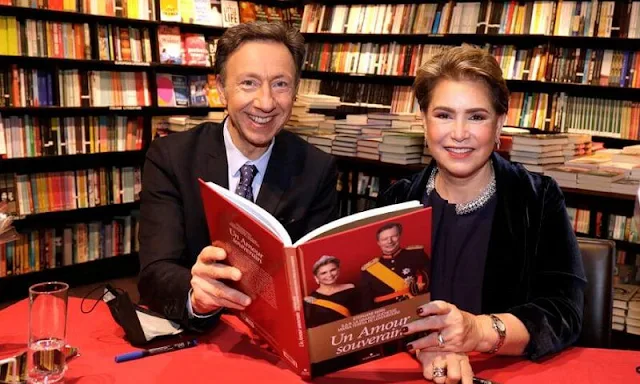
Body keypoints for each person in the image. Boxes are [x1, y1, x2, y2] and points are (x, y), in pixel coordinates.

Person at [379, 45, 586, 383]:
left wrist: (478, 331)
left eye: (476, 116)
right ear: (423, 119)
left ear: (500, 122)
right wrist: (422, 345)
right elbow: (373, 314)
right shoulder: (395, 201)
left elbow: (564, 313)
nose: (459, 134)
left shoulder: (537, 198)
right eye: (444, 115)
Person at [137, 22, 338, 332]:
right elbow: (154, 272)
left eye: (281, 84)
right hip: (198, 341)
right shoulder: (172, 158)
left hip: (276, 341)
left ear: (296, 91)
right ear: (220, 88)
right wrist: (197, 297)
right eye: (248, 83)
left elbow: (317, 276)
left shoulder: (317, 169)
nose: (266, 102)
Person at [360, 222, 430, 310]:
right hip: (390, 317)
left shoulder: (416, 254)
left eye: (393, 236)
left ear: (399, 236)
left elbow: (433, 278)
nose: (390, 241)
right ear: (378, 242)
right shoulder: (368, 271)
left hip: (421, 306)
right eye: (384, 239)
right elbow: (367, 305)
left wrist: (419, 285)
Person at [303, 255, 360, 328]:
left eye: (333, 270)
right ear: (316, 277)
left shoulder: (351, 288)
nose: (329, 275)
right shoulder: (310, 300)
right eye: (323, 273)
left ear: (338, 270)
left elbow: (363, 315)